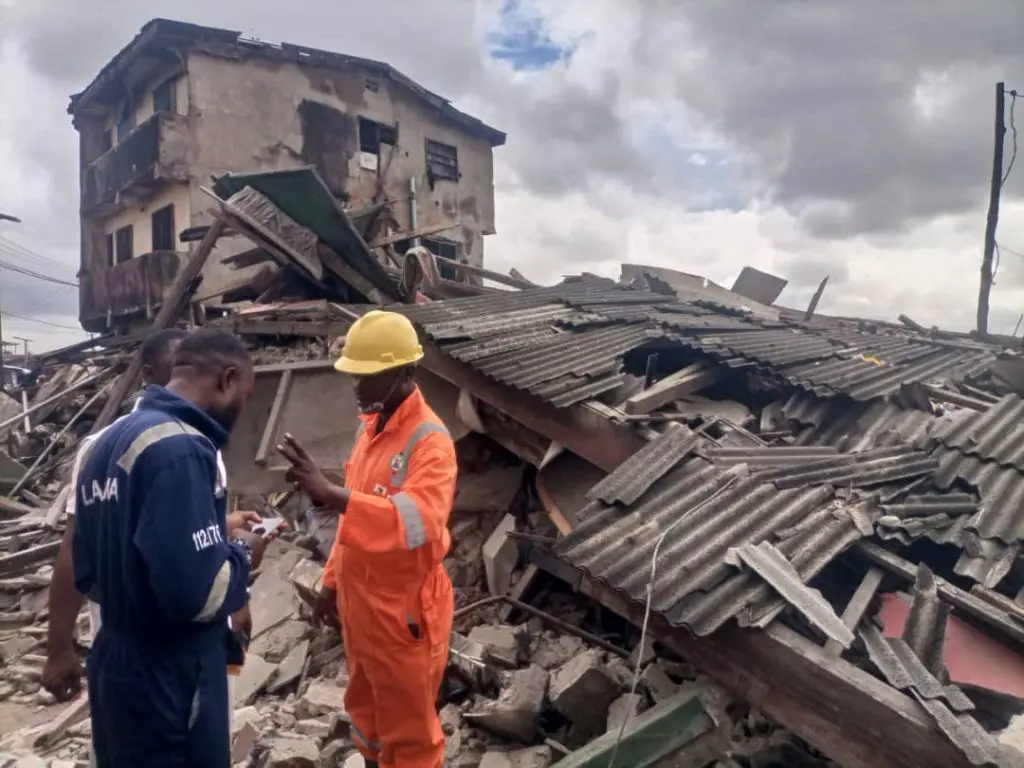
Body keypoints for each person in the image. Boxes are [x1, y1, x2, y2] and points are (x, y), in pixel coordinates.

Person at [72, 328, 265, 767]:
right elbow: (197, 596)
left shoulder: (106, 444)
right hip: (171, 674)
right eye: (246, 395)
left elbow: (89, 568)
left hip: (116, 660)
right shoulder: (181, 449)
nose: (242, 408)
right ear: (227, 379)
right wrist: (242, 554)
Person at [279, 310, 458, 768]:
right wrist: (332, 582)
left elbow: (421, 520)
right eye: (354, 375)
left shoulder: (430, 442)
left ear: (405, 373)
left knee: (411, 733)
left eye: (369, 376)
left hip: (404, 615)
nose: (357, 386)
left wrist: (333, 494)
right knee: (367, 716)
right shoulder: (370, 429)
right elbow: (354, 527)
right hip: (362, 608)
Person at [42, 328, 189, 701]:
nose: (186, 382)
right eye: (176, 370)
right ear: (149, 374)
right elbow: (77, 546)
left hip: (192, 650)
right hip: (132, 647)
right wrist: (59, 645)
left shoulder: (201, 445)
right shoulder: (103, 448)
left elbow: (179, 536)